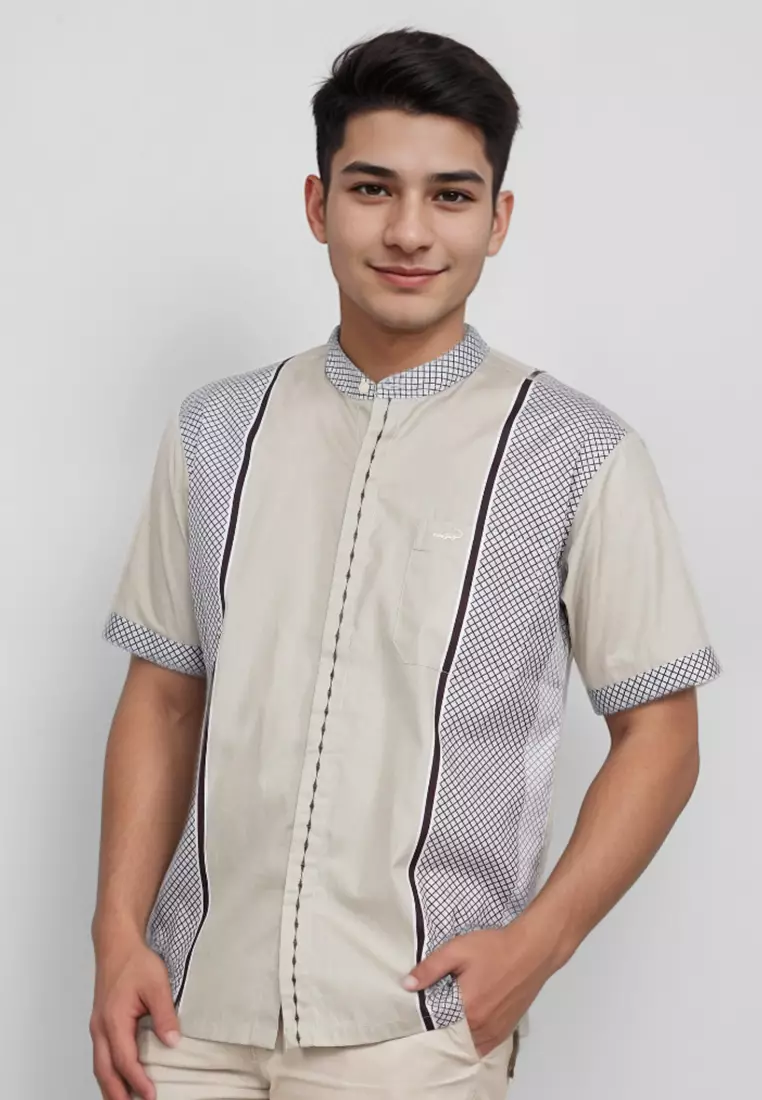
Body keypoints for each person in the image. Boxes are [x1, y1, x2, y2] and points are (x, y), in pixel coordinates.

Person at [89, 26, 721, 1100]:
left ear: (498, 218)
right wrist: (116, 937)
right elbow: (162, 694)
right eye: (373, 188)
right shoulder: (213, 431)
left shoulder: (578, 453)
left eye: (451, 195)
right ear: (319, 203)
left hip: (412, 1027)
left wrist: (539, 946)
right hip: (188, 1008)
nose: (409, 231)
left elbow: (661, 732)